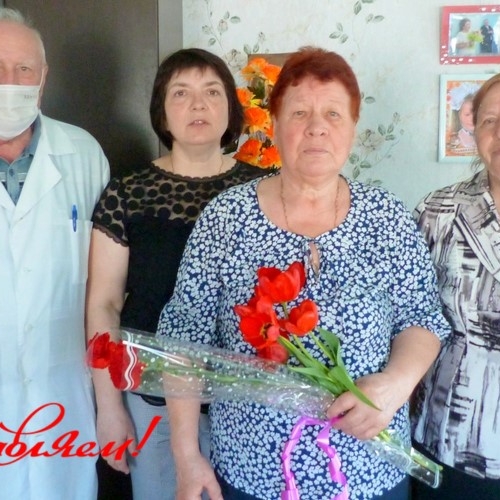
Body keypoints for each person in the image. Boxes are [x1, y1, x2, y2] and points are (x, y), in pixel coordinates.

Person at [157, 46, 451, 500]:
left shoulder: (386, 216)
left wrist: (395, 385)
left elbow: (422, 318)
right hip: (253, 471)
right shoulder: (226, 217)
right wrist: (186, 456)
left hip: (369, 471)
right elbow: (184, 337)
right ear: (274, 125)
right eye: (299, 113)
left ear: (353, 127)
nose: (317, 127)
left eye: (333, 113)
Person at [86, 48, 268, 500]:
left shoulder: (267, 189)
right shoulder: (127, 193)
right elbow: (104, 303)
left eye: (212, 92)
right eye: (181, 93)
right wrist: (109, 406)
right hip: (153, 400)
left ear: (231, 108)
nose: (198, 104)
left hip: (249, 404)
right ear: (162, 112)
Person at [0, 8, 110, 500]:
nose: (10, 82)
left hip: (64, 402)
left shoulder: (83, 153)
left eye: (24, 69)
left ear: (43, 78)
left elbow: (108, 284)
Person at [412, 73, 500, 500]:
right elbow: (407, 315)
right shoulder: (437, 211)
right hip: (451, 434)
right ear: (474, 129)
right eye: (490, 121)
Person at [446, 82, 480, 155]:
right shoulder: (455, 139)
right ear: (459, 115)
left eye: (477, 114)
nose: (472, 118)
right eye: (467, 114)